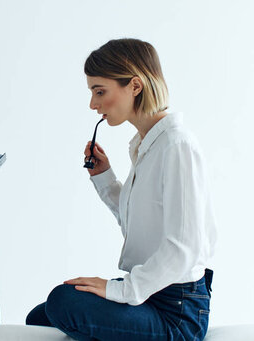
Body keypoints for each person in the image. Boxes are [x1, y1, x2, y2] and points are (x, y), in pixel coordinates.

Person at [26, 38, 217, 341]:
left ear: (135, 86)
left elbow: (184, 247)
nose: (93, 104)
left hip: (177, 313)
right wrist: (104, 177)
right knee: (39, 316)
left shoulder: (176, 145)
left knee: (62, 303)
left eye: (100, 91)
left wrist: (120, 290)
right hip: (154, 293)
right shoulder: (147, 145)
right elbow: (139, 220)